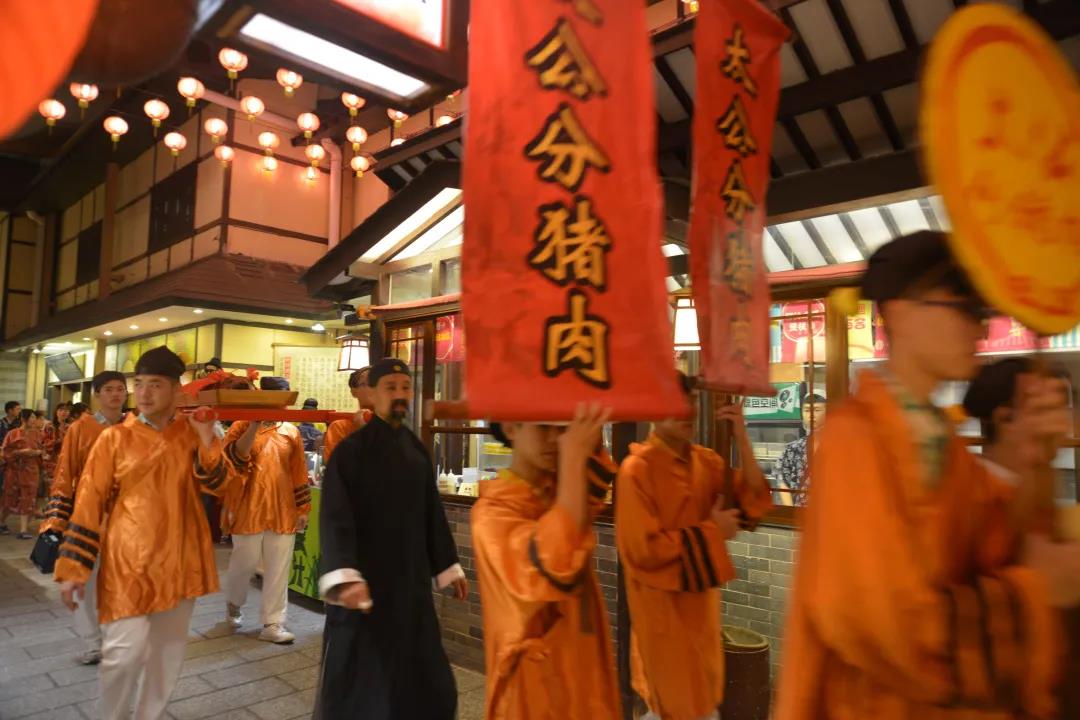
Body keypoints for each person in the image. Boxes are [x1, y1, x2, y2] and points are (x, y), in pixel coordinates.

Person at [775, 231, 1073, 719]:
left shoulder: (944, 444)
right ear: (900, 313)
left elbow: (999, 547)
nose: (979, 331)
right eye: (965, 309)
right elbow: (876, 622)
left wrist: (1036, 455)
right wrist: (1032, 598)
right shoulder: (855, 437)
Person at [54, 346, 232, 719]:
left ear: (176, 391)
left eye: (155, 384)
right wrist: (73, 567)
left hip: (182, 559)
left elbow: (220, 486)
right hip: (127, 561)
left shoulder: (192, 434)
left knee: (168, 655)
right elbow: (88, 502)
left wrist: (205, 437)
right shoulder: (114, 439)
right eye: (140, 384)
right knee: (121, 654)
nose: (144, 392)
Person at [316, 358, 467, 719]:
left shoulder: (415, 448)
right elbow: (335, 518)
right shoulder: (351, 453)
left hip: (410, 586)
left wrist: (447, 565)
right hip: (366, 588)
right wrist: (345, 575)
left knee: (423, 677)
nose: (399, 395)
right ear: (372, 393)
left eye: (405, 387)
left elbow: (432, 513)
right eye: (390, 387)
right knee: (365, 680)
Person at [616, 372, 773, 720]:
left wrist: (741, 436)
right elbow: (644, 551)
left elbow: (751, 502)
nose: (685, 410)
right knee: (669, 707)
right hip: (661, 621)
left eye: (689, 401)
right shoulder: (635, 472)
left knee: (702, 701)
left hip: (701, 618)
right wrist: (712, 532)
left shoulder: (707, 463)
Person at [471, 405, 620, 718]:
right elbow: (554, 564)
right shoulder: (491, 514)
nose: (556, 439)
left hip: (582, 667)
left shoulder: (554, 491)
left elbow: (593, 489)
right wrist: (574, 457)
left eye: (562, 428)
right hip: (534, 686)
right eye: (543, 427)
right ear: (511, 428)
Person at [964, 358, 1080, 718]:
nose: (1061, 417)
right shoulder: (973, 497)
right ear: (1003, 419)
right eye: (1042, 405)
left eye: (1062, 402)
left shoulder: (1040, 499)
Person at [39, 371, 128, 665]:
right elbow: (65, 473)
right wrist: (57, 519)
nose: (116, 394)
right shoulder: (81, 428)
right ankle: (91, 642)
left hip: (129, 518)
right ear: (97, 394)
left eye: (121, 389)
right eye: (110, 389)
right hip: (88, 515)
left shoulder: (136, 427)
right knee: (85, 581)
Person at [221, 411, 311, 644]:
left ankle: (273, 623)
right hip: (247, 507)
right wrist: (254, 424)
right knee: (244, 563)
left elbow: (298, 470)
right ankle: (234, 602)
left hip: (283, 508)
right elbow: (231, 460)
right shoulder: (240, 426)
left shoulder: (291, 431)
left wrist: (303, 507)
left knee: (279, 568)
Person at [0, 409, 45, 539]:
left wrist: (37, 453)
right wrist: (20, 452)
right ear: (23, 419)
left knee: (28, 498)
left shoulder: (37, 434)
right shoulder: (12, 434)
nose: (34, 420)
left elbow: (42, 450)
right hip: (14, 470)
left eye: (34, 417)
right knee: (10, 498)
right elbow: (5, 453)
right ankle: (1, 522)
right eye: (31, 417)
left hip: (31, 470)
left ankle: (23, 530)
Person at [775, 391, 826, 506]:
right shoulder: (792, 448)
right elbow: (782, 479)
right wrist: (791, 513)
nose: (811, 415)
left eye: (817, 410)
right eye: (807, 410)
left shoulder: (840, 447)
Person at [322, 366, 373, 462]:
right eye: (364, 384)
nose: (371, 388)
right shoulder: (340, 427)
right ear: (354, 391)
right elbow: (335, 466)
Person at [40, 402, 72, 515]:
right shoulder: (50, 426)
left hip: (66, 461)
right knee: (51, 487)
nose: (64, 412)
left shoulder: (70, 426)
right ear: (56, 412)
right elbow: (44, 443)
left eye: (67, 410)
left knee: (63, 487)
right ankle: (50, 509)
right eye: (61, 410)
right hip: (52, 461)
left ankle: (58, 510)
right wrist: (57, 441)